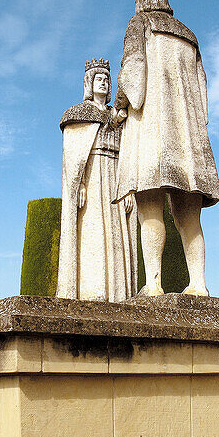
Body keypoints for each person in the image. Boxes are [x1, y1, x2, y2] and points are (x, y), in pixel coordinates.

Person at [114, 0, 219, 297]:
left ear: (141, 3)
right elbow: (203, 95)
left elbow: (133, 75)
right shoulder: (189, 35)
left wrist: (121, 105)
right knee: (189, 215)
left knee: (149, 207)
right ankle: (199, 284)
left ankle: (154, 284)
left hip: (152, 129)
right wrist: (197, 126)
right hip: (188, 138)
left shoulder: (140, 24)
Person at [57, 58, 137, 301]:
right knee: (92, 233)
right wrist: (78, 183)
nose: (103, 83)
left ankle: (119, 294)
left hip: (115, 175)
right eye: (98, 79)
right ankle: (93, 292)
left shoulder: (120, 117)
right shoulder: (79, 113)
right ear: (89, 83)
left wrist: (129, 189)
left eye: (106, 79)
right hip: (92, 177)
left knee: (117, 235)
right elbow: (73, 157)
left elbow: (130, 153)